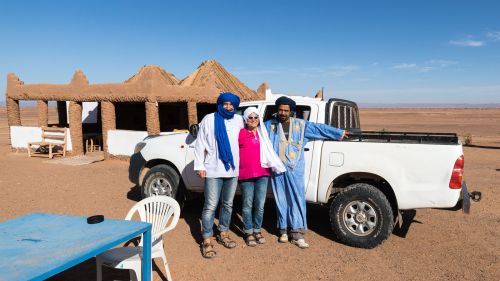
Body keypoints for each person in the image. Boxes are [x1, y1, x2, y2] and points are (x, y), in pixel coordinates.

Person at [265, 96, 346, 248]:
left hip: (294, 169)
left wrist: (339, 133)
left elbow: (319, 128)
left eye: (286, 110)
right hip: (277, 169)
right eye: (280, 110)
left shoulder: (301, 125)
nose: (283, 113)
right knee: (280, 199)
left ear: (291, 111)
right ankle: (283, 230)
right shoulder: (269, 125)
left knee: (296, 199)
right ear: (277, 110)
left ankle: (297, 234)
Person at [194, 92, 244, 259]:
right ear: (220, 104)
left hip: (232, 170)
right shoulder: (209, 119)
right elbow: (200, 143)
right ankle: (207, 238)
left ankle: (223, 232)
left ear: (235, 106)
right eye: (226, 104)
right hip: (213, 169)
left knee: (228, 204)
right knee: (210, 205)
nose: (229, 107)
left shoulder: (239, 120)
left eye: (232, 105)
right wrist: (199, 165)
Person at [238, 107, 286, 247]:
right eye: (250, 118)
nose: (253, 120)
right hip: (245, 174)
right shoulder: (240, 133)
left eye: (256, 117)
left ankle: (257, 230)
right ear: (246, 119)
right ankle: (248, 231)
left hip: (263, 173)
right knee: (247, 204)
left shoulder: (263, 133)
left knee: (259, 204)